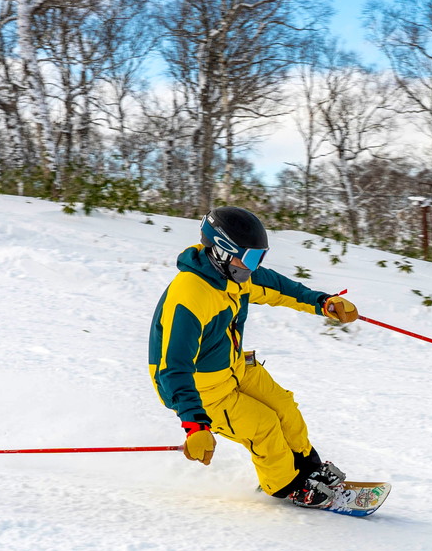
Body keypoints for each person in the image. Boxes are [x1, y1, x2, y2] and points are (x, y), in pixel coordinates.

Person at [148, 206, 359, 508]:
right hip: (200, 388)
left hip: (234, 366)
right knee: (263, 426)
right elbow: (173, 367)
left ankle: (307, 468)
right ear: (220, 251)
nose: (255, 265)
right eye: (250, 258)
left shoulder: (236, 276)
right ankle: (285, 485)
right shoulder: (190, 296)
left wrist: (323, 302)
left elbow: (278, 287)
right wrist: (194, 425)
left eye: (260, 257)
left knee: (284, 407)